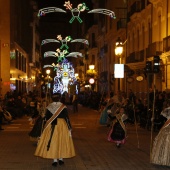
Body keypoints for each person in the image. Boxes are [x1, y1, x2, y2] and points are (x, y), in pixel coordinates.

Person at [34, 93, 75, 167]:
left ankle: (55, 160)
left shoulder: (49, 106)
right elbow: (66, 118)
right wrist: (69, 128)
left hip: (51, 125)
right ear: (59, 98)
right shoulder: (63, 106)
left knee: (53, 141)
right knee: (61, 141)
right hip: (62, 125)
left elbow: (46, 118)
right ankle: (61, 159)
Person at [151, 99, 170, 166]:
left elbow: (163, 120)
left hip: (167, 128)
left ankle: (164, 159)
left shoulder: (167, 110)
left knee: (164, 142)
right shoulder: (167, 110)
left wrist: (154, 120)